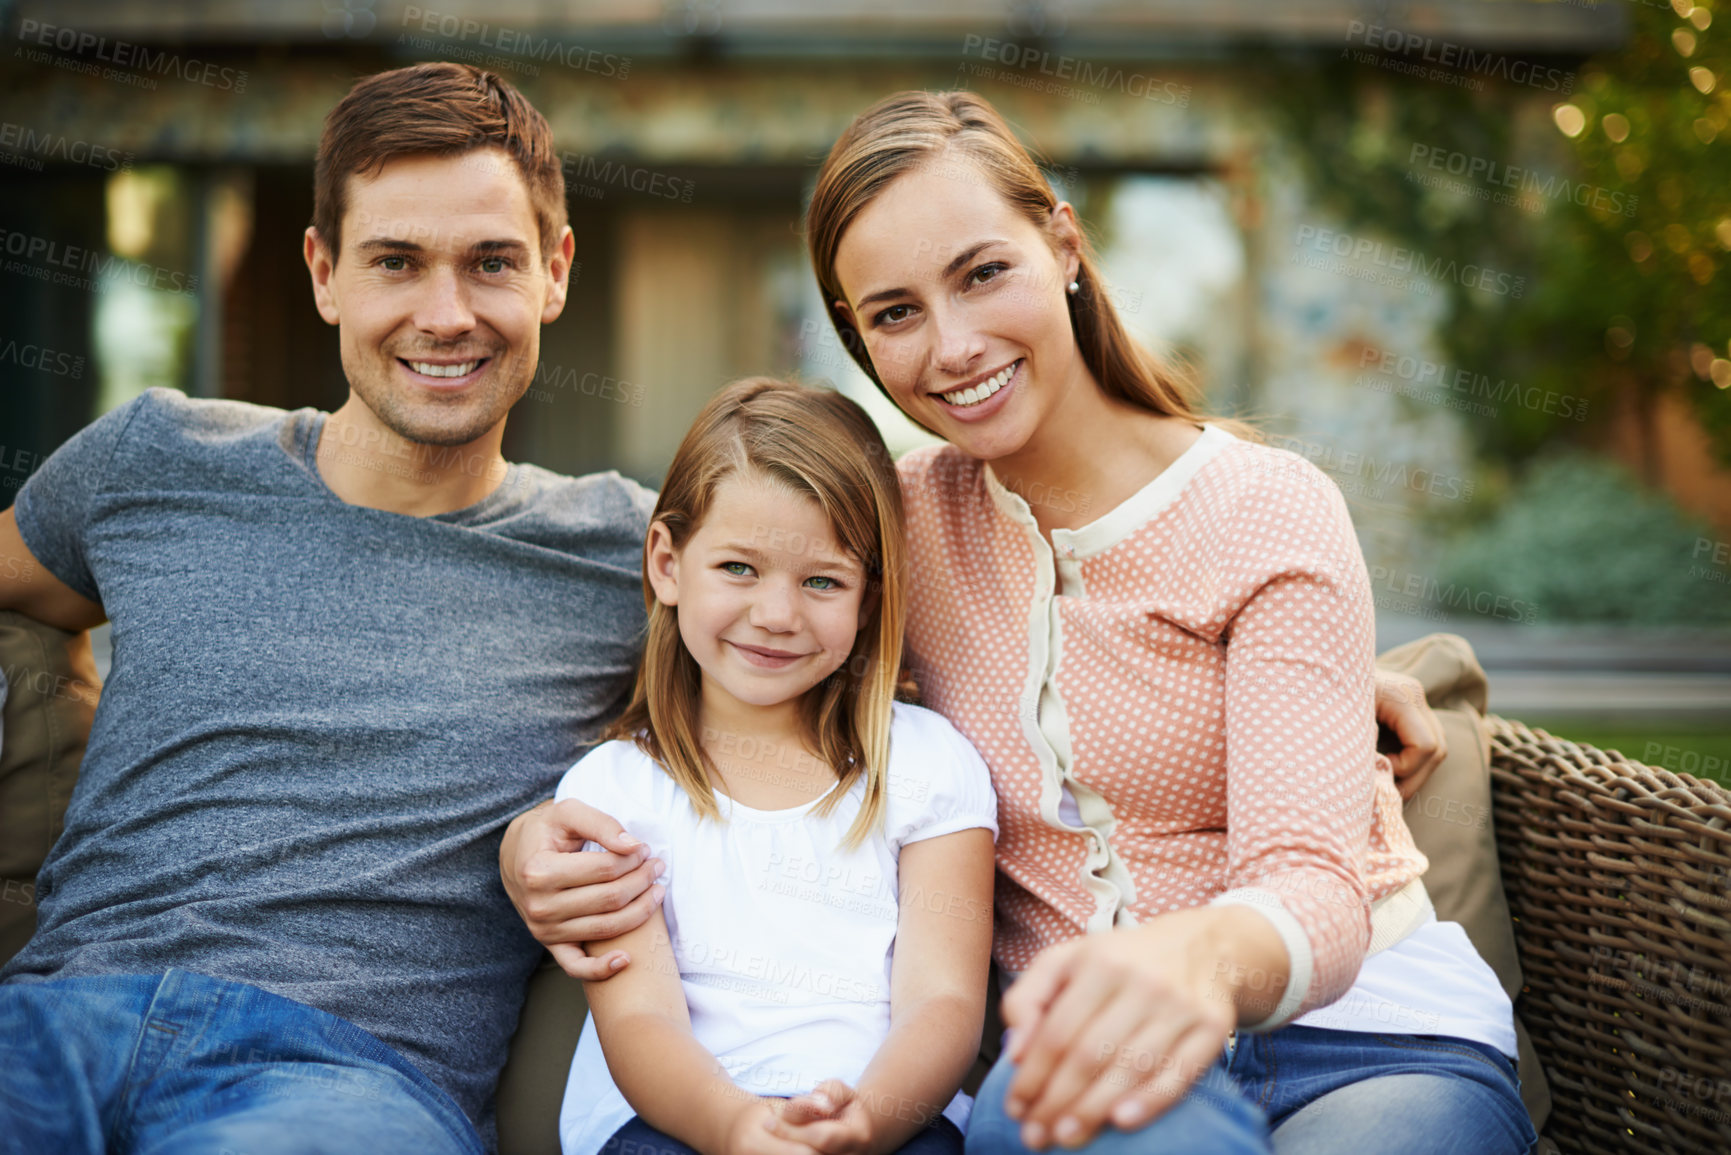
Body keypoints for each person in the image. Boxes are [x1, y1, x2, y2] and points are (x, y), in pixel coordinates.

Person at [504, 90, 1533, 1155]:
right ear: (860, 341)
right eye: (896, 313)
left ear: (1064, 245)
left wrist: (1202, 936)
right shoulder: (895, 530)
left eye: (983, 273)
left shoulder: (1267, 506)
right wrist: (531, 843)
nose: (954, 347)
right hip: (1089, 1052)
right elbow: (723, 594)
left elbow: (1317, 885)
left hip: (1365, 1033)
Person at [0, 63, 661, 1155]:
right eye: (395, 262)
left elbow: (860, 649)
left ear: (555, 271)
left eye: (491, 263)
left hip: (344, 1078)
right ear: (324, 272)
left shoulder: (641, 561)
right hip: (50, 1024)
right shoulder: (153, 458)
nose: (444, 316)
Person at [553, 378, 997, 1155]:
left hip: (887, 1119)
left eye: (821, 580)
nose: (777, 615)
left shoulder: (927, 765)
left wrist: (864, 1120)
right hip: (671, 1121)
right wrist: (735, 1127)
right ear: (666, 561)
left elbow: (943, 999)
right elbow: (639, 1017)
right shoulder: (611, 791)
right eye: (738, 568)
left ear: (867, 598)